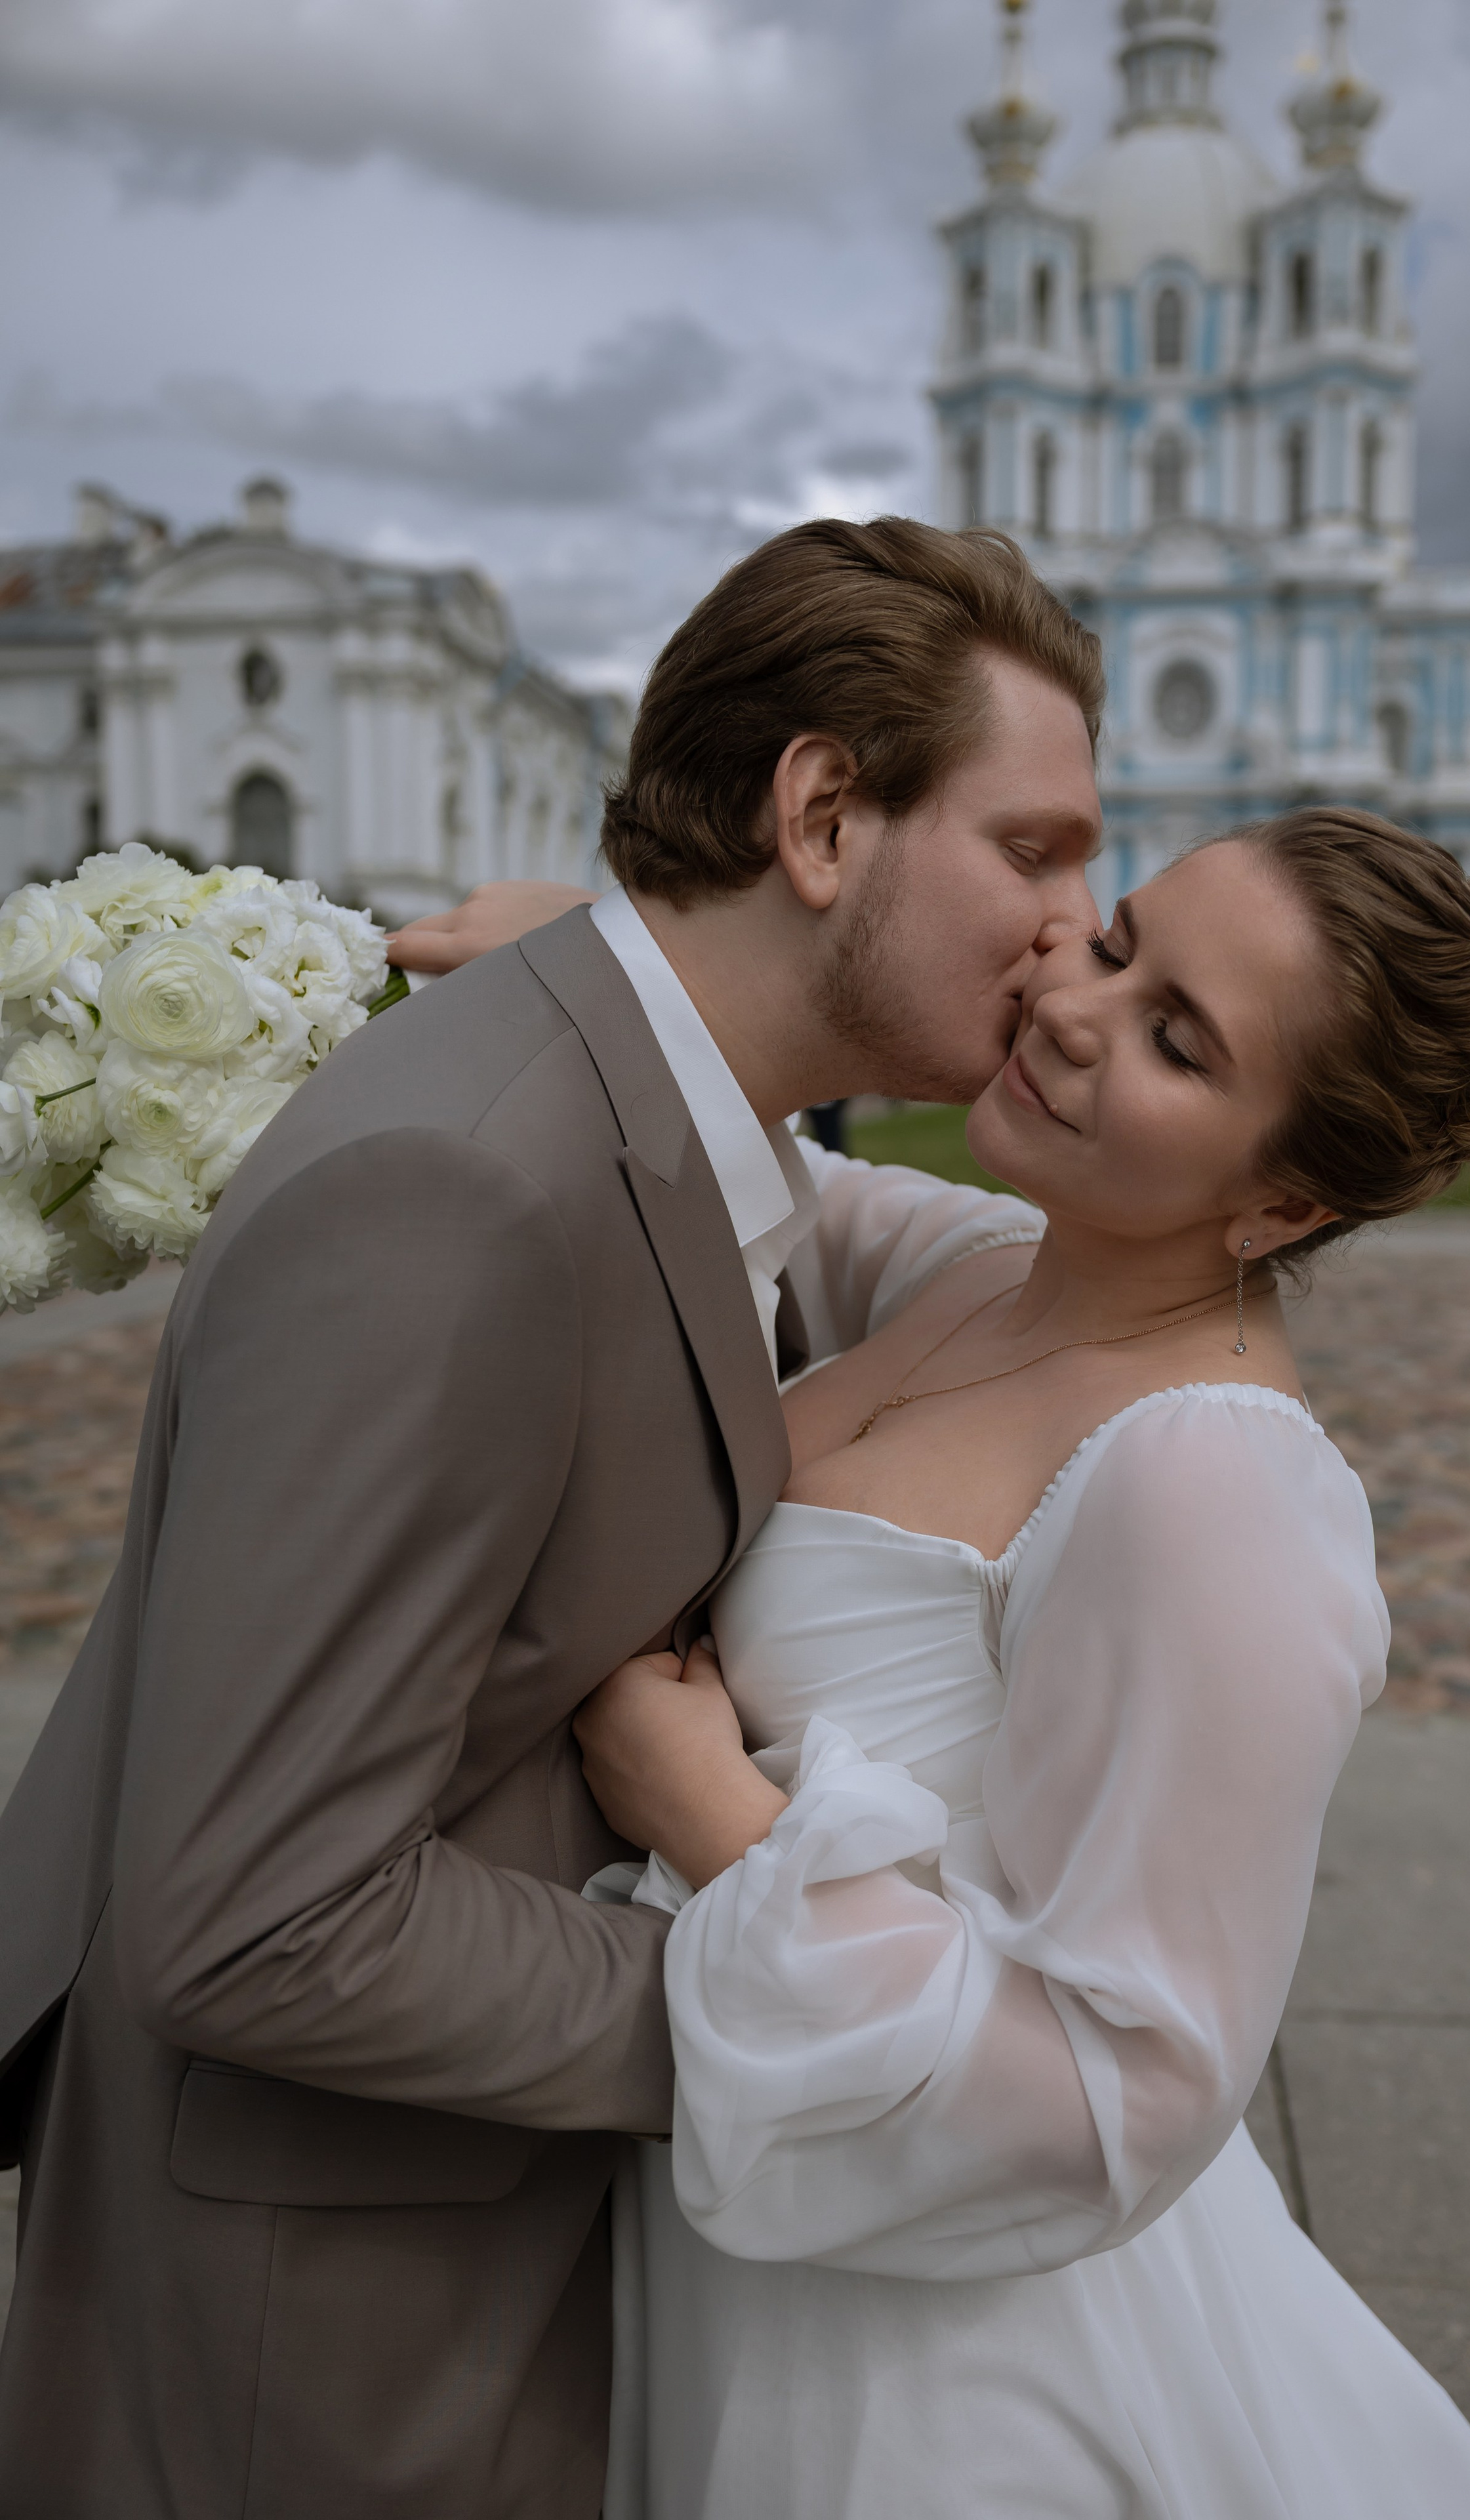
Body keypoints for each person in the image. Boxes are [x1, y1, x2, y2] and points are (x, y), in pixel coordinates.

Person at [0, 520, 1108, 2518]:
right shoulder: (467, 1185)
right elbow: (256, 1915)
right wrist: (814, 2009)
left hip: (454, 2242)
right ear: (825, 813)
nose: (1075, 925)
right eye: (1036, 849)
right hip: (335, 2339)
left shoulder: (652, 1107)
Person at [428, 810, 1470, 2516]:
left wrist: (705, 1802)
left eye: (1178, 1039)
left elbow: (1119, 2088)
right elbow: (773, 1168)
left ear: (1284, 1196)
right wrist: (611, 967)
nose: (1077, 1003)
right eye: (1122, 941)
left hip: (939, 2374)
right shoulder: (990, 1268)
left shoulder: (1215, 1483)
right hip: (748, 2235)